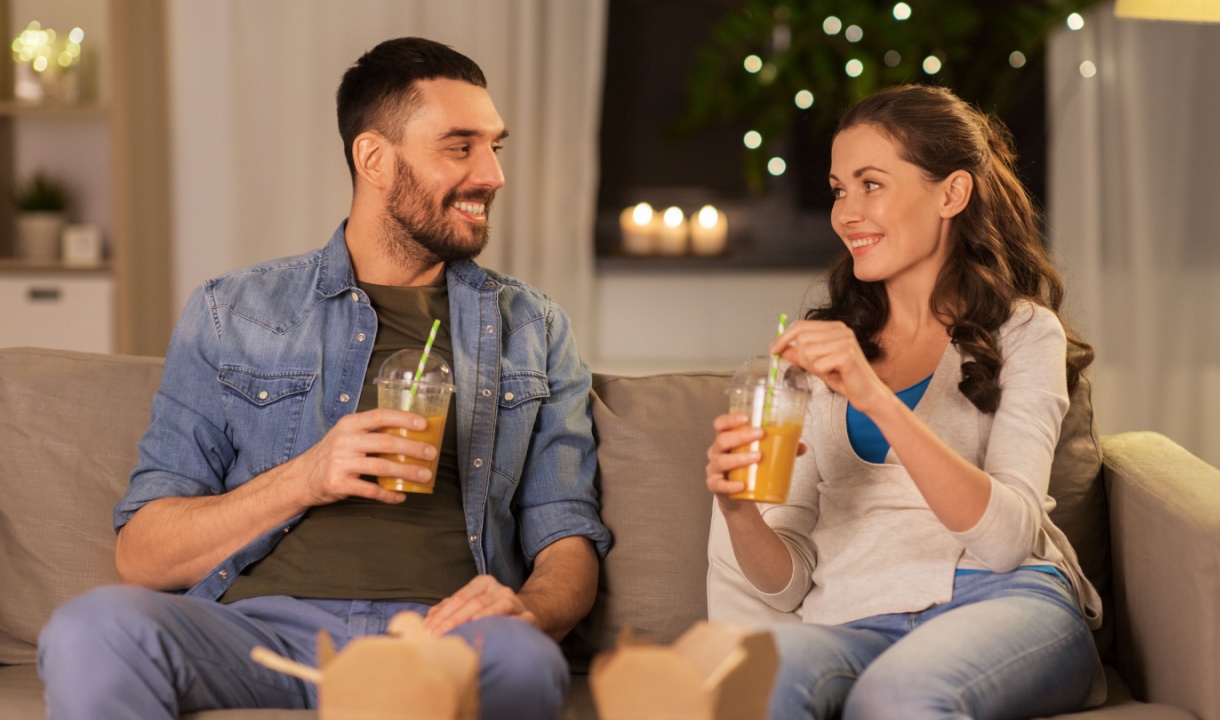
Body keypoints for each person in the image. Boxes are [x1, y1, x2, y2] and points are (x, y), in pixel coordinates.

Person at [37, 37, 609, 720]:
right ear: (374, 158)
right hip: (257, 634)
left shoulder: (535, 328)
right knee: (91, 629)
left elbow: (566, 537)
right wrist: (307, 476)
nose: (492, 174)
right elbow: (143, 556)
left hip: (442, 634)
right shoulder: (233, 310)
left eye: (495, 147)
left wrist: (529, 608)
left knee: (525, 660)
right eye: (461, 147)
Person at [704, 84, 1104, 720]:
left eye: (871, 184)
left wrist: (873, 393)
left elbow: (1006, 541)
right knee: (753, 687)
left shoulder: (1024, 333)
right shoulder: (812, 358)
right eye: (839, 189)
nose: (846, 213)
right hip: (852, 618)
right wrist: (740, 514)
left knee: (899, 698)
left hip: (1007, 600)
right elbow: (786, 590)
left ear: (951, 193)